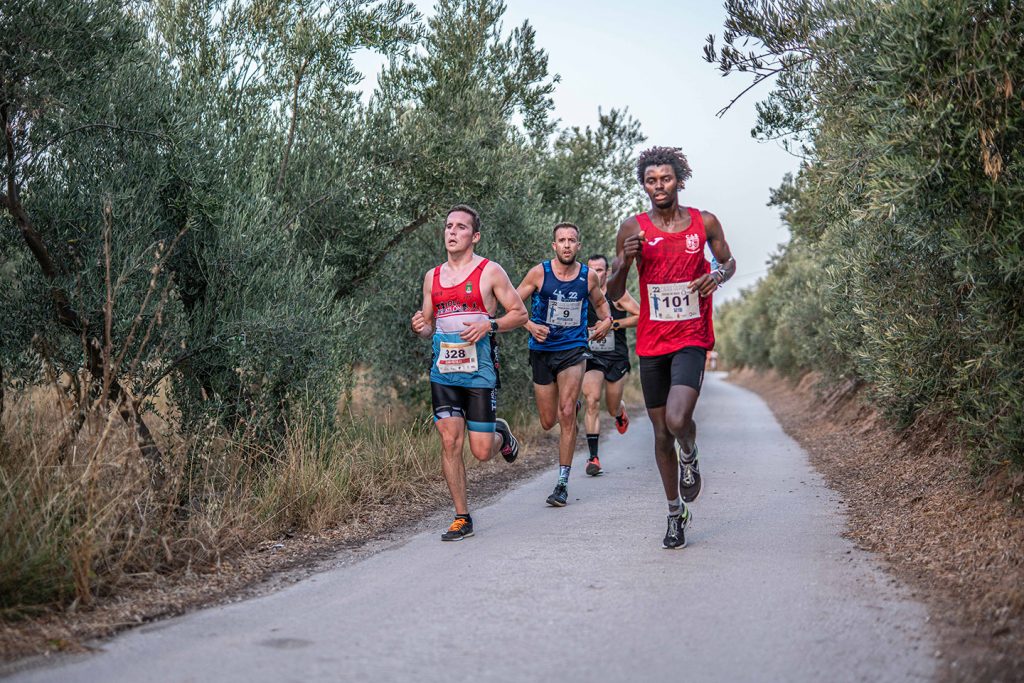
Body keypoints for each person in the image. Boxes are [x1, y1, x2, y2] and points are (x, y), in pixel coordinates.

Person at [606, 146, 736, 549]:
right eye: (651, 180)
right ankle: (675, 513)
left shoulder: (703, 222)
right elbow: (613, 291)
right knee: (661, 433)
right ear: (643, 185)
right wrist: (624, 263)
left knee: (679, 420)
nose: (658, 186)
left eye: (665, 179)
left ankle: (690, 453)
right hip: (652, 341)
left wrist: (716, 276)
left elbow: (728, 262)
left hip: (692, 336)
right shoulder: (633, 228)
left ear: (678, 180)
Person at [411, 205, 528, 541]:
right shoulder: (432, 277)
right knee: (450, 441)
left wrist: (489, 325)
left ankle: (501, 434)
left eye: (461, 227)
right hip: (444, 373)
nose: (452, 232)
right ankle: (462, 517)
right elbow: (428, 325)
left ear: (475, 236)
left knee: (480, 451)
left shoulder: (490, 272)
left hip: (479, 372)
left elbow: (519, 313)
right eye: (449, 226)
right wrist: (420, 326)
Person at [517, 223, 613, 506]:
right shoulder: (539, 273)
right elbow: (513, 304)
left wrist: (607, 321)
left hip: (573, 349)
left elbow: (601, 305)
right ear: (554, 245)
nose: (567, 245)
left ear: (578, 246)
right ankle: (571, 408)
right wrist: (530, 325)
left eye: (572, 240)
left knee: (567, 412)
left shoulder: (588, 276)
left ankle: (562, 484)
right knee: (549, 421)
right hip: (542, 351)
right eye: (562, 240)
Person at [580, 254, 639, 476]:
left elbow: (641, 315)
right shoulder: (582, 293)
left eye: (600, 270)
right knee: (592, 400)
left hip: (616, 356)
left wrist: (612, 324)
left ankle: (619, 411)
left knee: (611, 406)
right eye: (592, 269)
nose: (596, 274)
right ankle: (593, 457)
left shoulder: (616, 294)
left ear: (607, 272)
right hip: (591, 355)